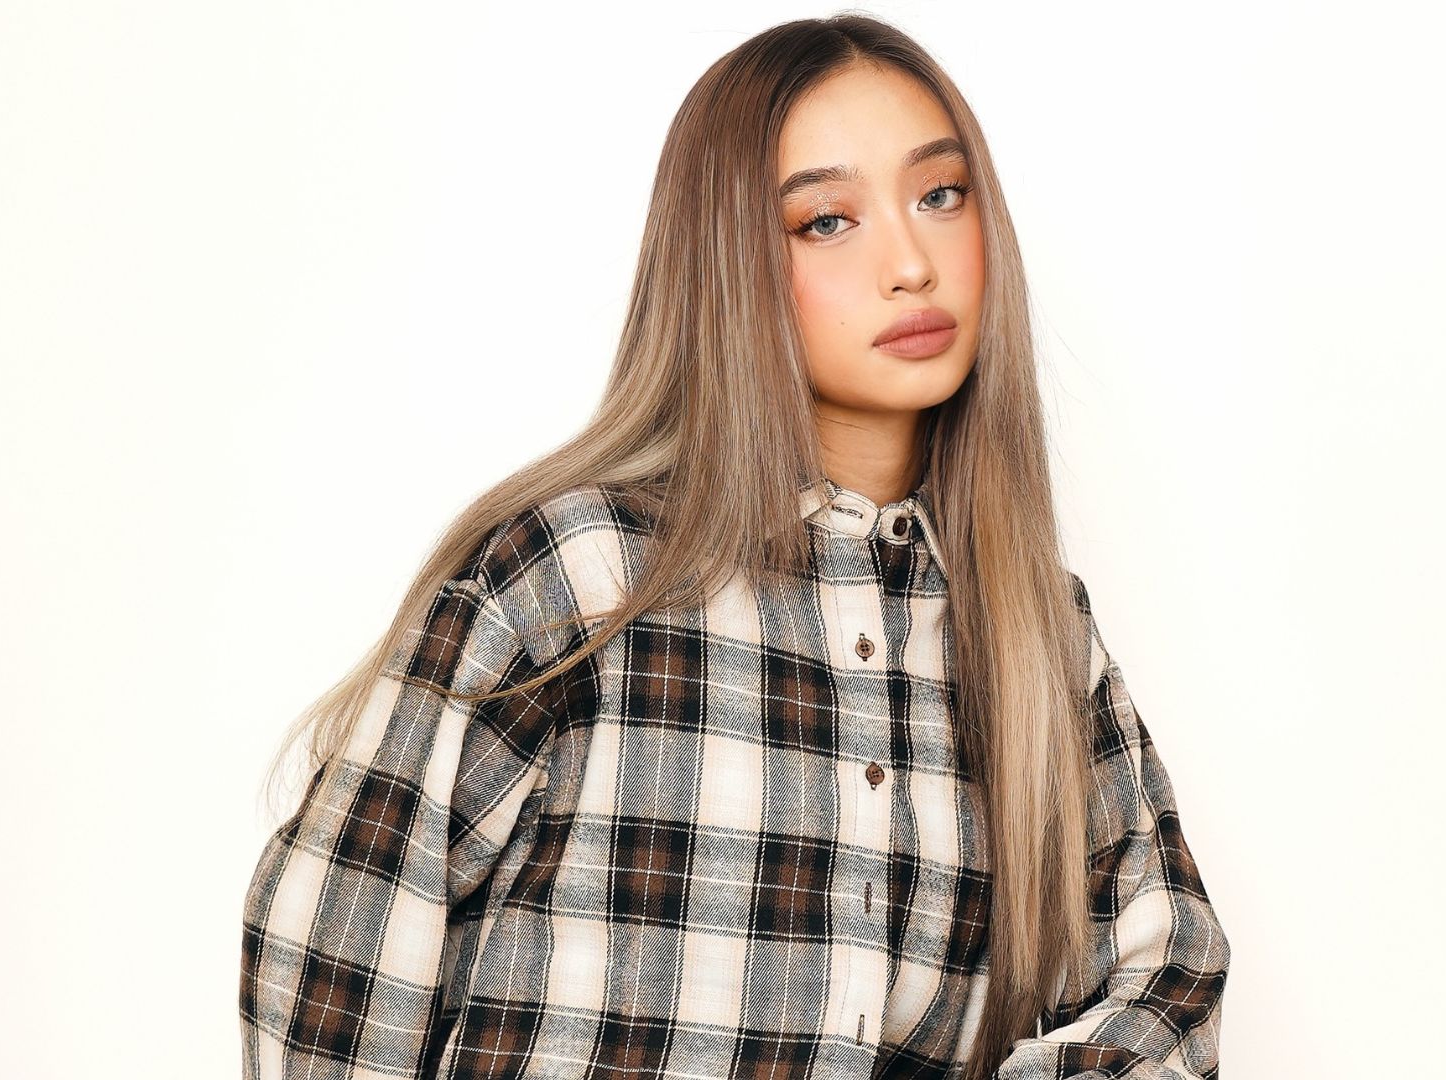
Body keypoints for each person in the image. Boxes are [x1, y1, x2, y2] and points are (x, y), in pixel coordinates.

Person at [239, 13, 1230, 1080]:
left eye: (942, 195)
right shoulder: (576, 574)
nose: (911, 263)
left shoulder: (1035, 634)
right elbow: (331, 968)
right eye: (826, 220)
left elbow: (1168, 983)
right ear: (727, 261)